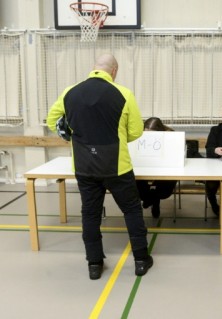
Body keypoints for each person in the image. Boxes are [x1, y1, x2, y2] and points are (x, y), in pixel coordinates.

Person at [46, 53, 153, 280]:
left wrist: (71, 132)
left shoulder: (69, 92)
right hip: (117, 165)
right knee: (132, 210)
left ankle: (94, 264)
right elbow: (136, 131)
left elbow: (51, 120)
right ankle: (141, 260)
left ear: (94, 68)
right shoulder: (124, 93)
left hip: (84, 165)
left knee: (90, 214)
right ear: (114, 71)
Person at [136, 117, 177, 218]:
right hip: (144, 168)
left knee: (165, 189)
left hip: (165, 169)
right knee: (138, 185)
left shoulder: (171, 136)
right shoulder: (138, 136)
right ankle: (153, 200)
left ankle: (152, 200)